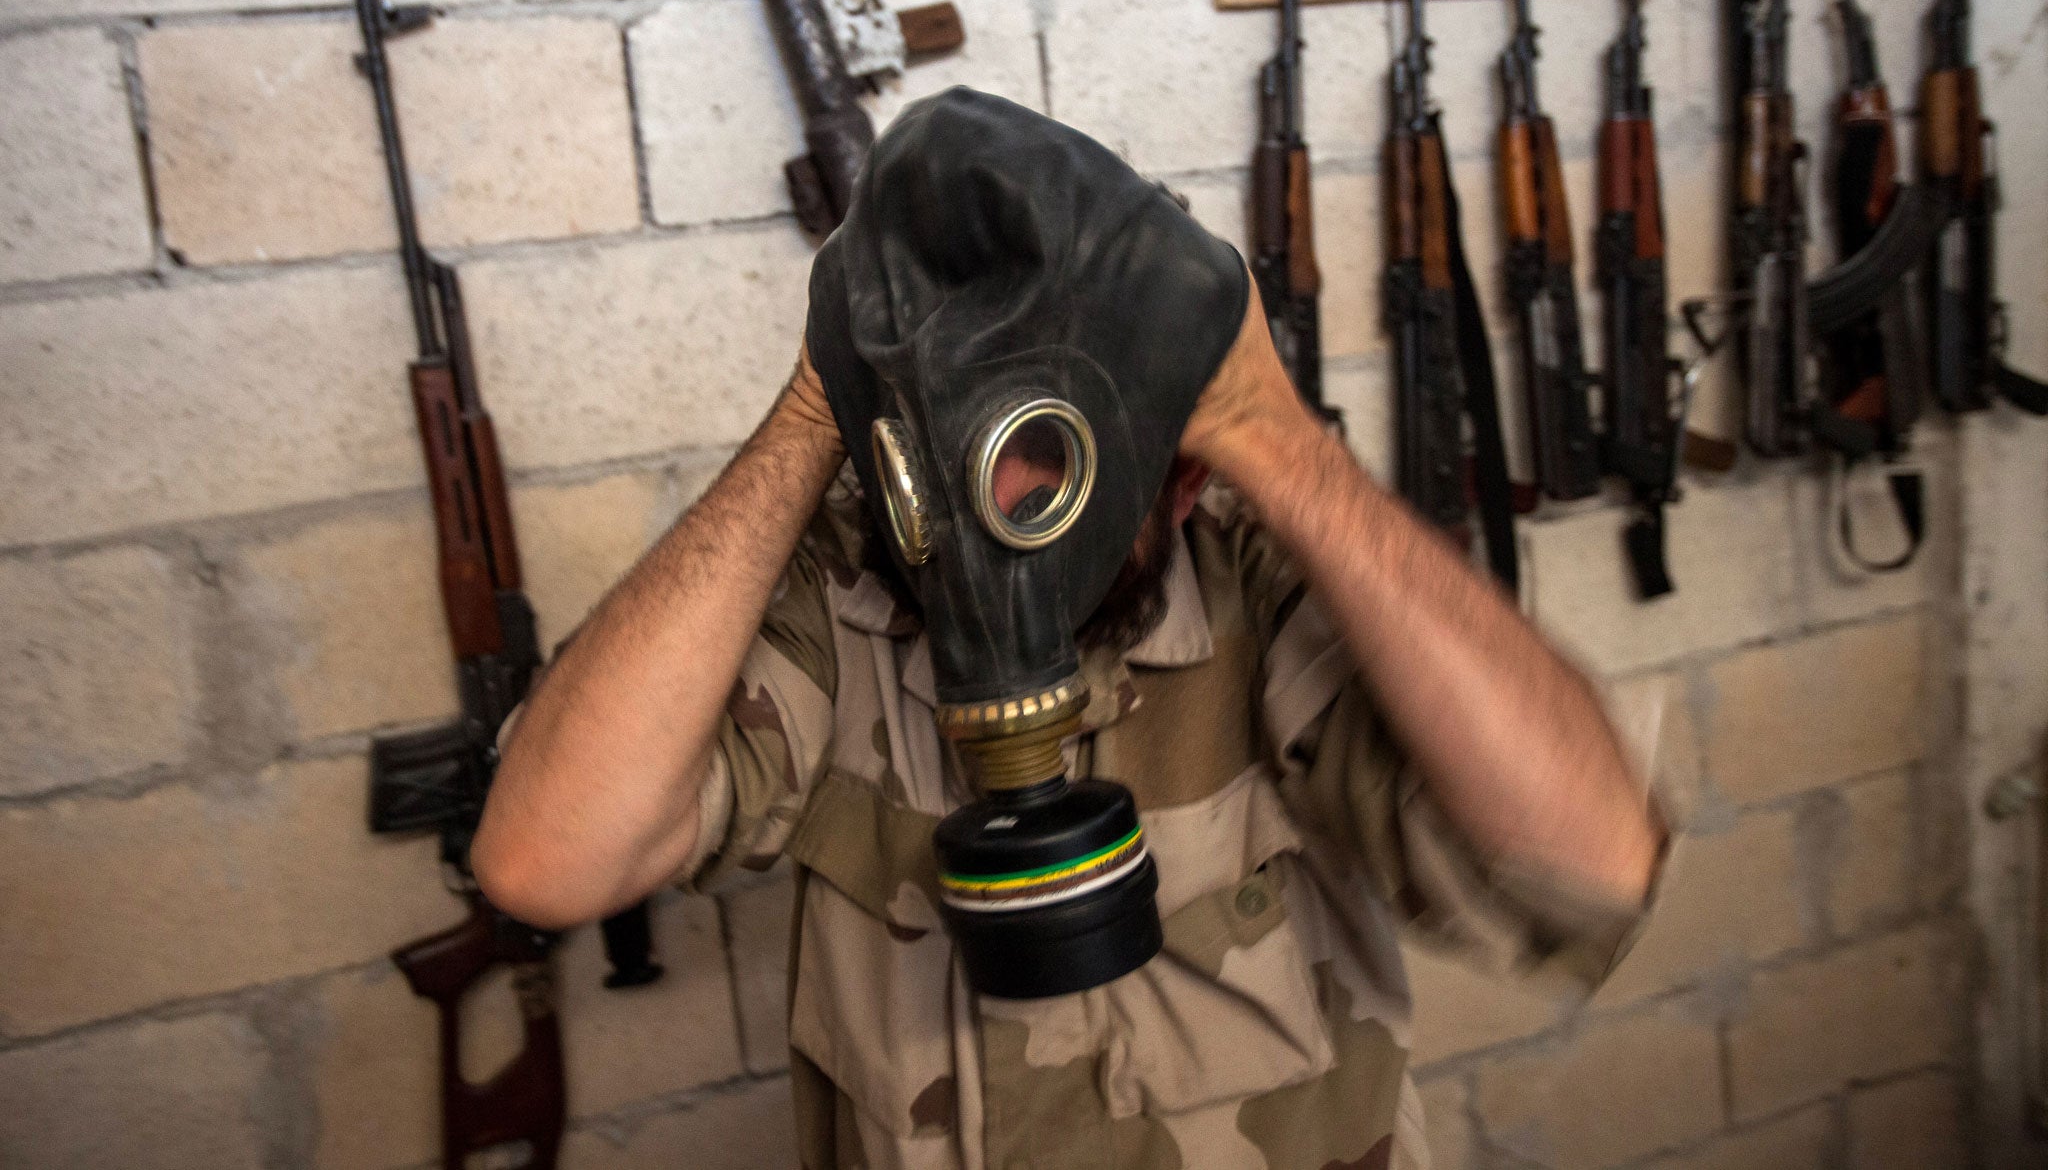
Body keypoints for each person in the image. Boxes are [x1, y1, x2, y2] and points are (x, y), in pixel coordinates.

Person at [473, 90, 1664, 1169]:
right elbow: (543, 858)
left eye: (1051, 479)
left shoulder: (1251, 583)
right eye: (959, 459)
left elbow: (1590, 856)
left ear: (1180, 476)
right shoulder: (843, 591)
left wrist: (1280, 443)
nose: (997, 535)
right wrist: (811, 406)